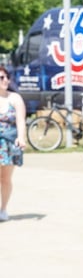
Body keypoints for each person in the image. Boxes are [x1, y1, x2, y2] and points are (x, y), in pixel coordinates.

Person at [0, 66, 26, 222]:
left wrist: (21, 137)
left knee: (5, 178)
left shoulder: (15, 98)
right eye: (1, 78)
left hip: (9, 143)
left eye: (6, 77)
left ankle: (3, 209)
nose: (5, 81)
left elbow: (21, 121)